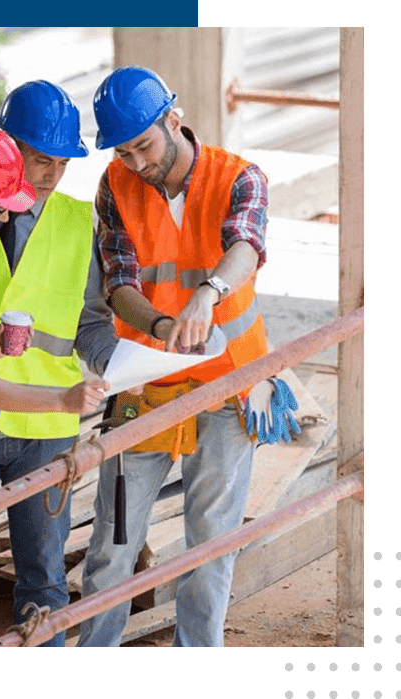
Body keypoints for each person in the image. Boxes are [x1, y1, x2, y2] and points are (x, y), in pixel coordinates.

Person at [77, 66, 299, 648]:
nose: (136, 163)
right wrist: (159, 322)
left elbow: (246, 246)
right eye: (123, 152)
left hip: (229, 386)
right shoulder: (114, 185)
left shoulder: (239, 178)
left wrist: (208, 294)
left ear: (173, 120)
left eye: (143, 146)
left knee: (211, 541)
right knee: (113, 542)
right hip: (146, 382)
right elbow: (118, 281)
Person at [0, 82, 120, 648]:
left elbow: (92, 323)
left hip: (47, 429)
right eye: (40, 159)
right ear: (6, 145)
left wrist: (122, 367)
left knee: (44, 580)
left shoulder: (78, 224)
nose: (50, 175)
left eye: (62, 162)